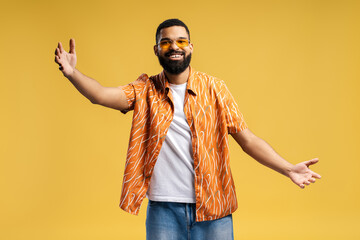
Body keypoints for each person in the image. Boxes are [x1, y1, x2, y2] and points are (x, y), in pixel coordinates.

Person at [54, 18, 321, 240]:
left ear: (191, 46)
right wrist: (72, 73)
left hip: (214, 210)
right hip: (163, 211)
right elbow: (100, 95)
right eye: (166, 42)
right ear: (156, 49)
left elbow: (248, 139)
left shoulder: (215, 88)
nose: (174, 47)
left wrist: (288, 169)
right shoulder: (145, 90)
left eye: (181, 41)